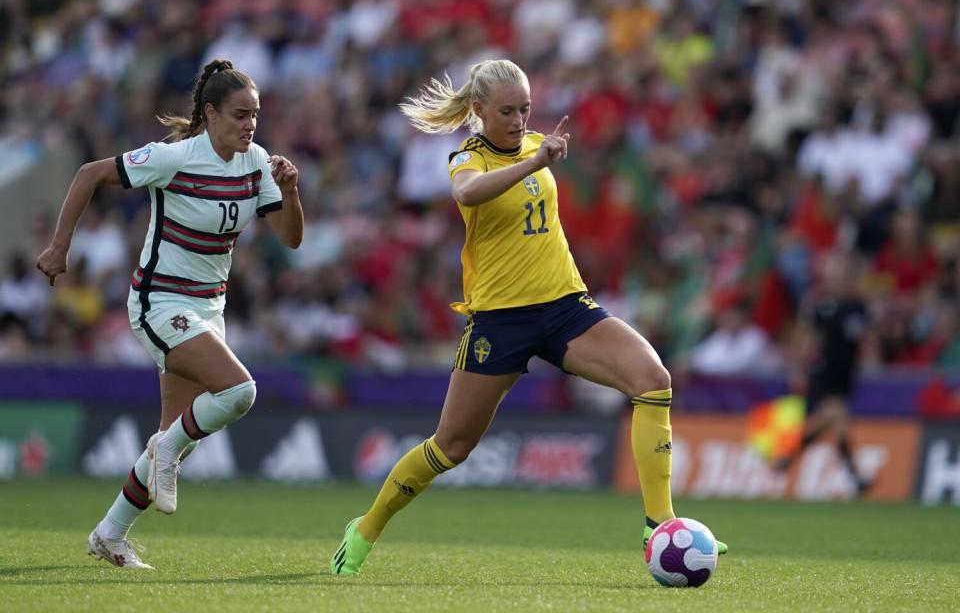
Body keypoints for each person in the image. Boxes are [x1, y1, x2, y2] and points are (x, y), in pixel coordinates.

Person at [330, 59, 727, 576]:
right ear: (478, 111)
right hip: (500, 321)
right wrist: (535, 162)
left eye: (526, 109)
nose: (519, 120)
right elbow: (466, 194)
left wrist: (542, 156)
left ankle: (661, 527)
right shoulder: (466, 158)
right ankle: (365, 528)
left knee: (654, 380)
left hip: (565, 306)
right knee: (451, 446)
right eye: (508, 111)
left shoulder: (537, 143)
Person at [36, 59, 304, 569]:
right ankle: (163, 449)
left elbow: (291, 239)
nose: (251, 124)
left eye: (256, 115)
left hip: (209, 306)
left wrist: (290, 191)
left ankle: (110, 534)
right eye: (240, 114)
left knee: (178, 436)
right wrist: (58, 247)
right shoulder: (173, 157)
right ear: (210, 113)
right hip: (159, 302)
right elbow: (89, 173)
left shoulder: (256, 164)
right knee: (239, 391)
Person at [774, 252, 873, 496]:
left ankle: (789, 454)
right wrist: (800, 366)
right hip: (825, 373)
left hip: (846, 375)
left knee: (829, 422)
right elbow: (808, 339)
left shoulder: (858, 308)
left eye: (841, 276)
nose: (836, 281)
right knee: (838, 419)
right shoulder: (823, 308)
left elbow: (865, 339)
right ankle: (856, 478)